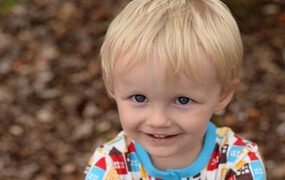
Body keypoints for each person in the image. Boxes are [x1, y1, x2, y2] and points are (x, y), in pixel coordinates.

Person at [83, 0, 266, 179]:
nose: (158, 121)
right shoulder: (110, 166)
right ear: (113, 88)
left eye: (182, 100)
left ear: (223, 94)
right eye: (139, 98)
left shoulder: (239, 163)